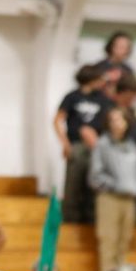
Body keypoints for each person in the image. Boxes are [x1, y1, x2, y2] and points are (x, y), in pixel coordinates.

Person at [88, 107, 136, 271]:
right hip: (109, 197)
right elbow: (95, 175)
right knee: (108, 239)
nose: (117, 124)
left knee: (124, 240)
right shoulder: (102, 144)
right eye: (113, 120)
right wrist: (115, 185)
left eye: (120, 119)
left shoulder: (132, 145)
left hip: (130, 198)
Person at [54, 63, 110, 226]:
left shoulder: (102, 98)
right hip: (77, 144)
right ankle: (70, 217)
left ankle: (90, 217)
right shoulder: (72, 96)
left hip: (96, 146)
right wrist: (65, 144)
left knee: (93, 183)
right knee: (73, 182)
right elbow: (58, 120)